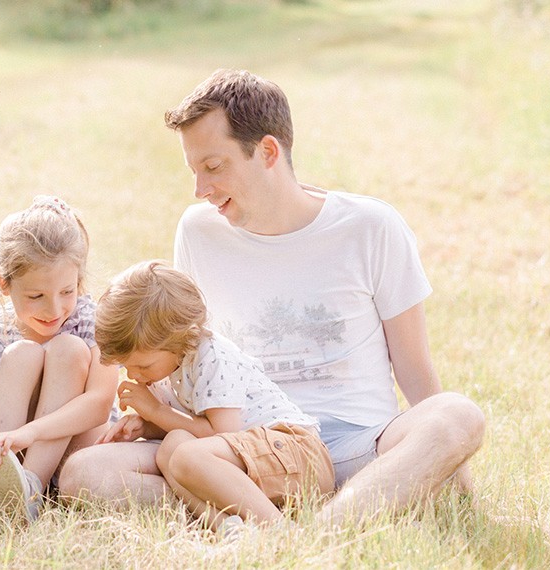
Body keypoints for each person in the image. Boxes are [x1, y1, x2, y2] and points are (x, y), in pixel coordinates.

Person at [59, 69, 486, 525]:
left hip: (363, 448)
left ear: (267, 151)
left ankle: (325, 526)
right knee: (86, 474)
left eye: (214, 167)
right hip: (240, 451)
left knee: (457, 415)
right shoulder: (199, 230)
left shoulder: (371, 227)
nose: (200, 190)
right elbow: (191, 352)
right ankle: (309, 515)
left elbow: (415, 371)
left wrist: (457, 478)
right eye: (194, 170)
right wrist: (154, 417)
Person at [92, 261, 333, 532]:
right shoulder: (168, 368)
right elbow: (196, 433)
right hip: (257, 464)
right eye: (127, 367)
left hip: (296, 454)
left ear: (180, 340)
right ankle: (230, 528)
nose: (134, 375)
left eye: (143, 366)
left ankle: (279, 531)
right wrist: (147, 426)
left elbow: (224, 434)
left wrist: (157, 412)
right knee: (172, 448)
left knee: (185, 455)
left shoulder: (212, 355)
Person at [0, 196, 115, 521]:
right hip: (18, 450)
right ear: (3, 284)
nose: (54, 310)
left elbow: (99, 403)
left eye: (67, 292)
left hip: (81, 447)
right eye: (36, 296)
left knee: (68, 348)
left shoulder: (90, 319)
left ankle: (29, 488)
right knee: (21, 355)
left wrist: (31, 433)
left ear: (78, 281)